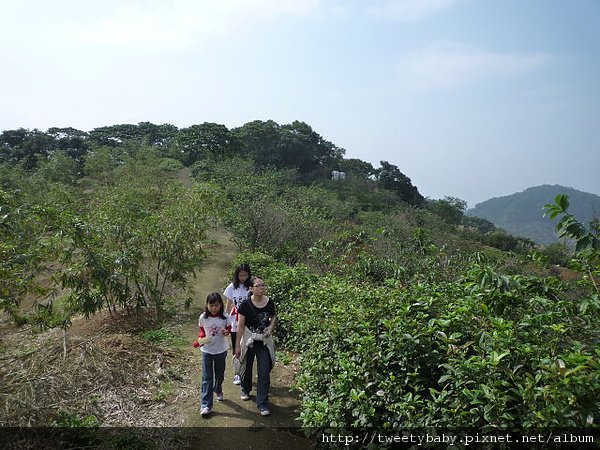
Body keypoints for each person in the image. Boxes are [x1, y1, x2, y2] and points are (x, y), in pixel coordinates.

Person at [235, 276, 276, 416]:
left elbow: (273, 317)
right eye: (258, 286)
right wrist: (237, 347)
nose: (262, 287)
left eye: (263, 285)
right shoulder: (245, 304)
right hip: (249, 340)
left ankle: (262, 402)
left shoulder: (269, 302)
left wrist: (270, 327)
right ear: (251, 289)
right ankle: (245, 389)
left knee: (264, 371)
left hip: (263, 341)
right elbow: (240, 327)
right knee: (246, 366)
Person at [196, 292, 232, 416]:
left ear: (220, 305)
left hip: (221, 350)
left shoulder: (225, 317)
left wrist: (226, 332)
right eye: (211, 306)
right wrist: (201, 339)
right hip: (207, 350)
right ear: (207, 305)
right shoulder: (203, 317)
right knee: (207, 377)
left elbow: (228, 328)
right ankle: (206, 405)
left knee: (219, 374)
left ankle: (218, 388)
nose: (213, 308)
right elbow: (202, 330)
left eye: (216, 305)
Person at [223, 263, 252, 385]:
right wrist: (224, 320)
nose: (243, 278)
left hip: (248, 321)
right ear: (237, 275)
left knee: (247, 346)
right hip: (235, 321)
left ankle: (245, 370)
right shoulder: (231, 287)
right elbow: (229, 305)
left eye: (245, 275)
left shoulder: (251, 287)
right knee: (236, 346)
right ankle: (237, 373)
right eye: (241, 275)